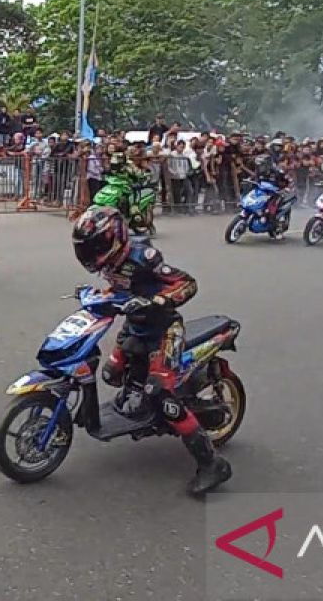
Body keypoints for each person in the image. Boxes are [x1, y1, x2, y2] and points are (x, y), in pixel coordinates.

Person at [71, 205, 231, 495]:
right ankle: (141, 404)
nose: (90, 255)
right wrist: (95, 296)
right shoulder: (110, 264)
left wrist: (158, 301)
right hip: (136, 326)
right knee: (111, 373)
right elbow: (121, 289)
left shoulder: (143, 257)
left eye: (95, 247)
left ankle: (211, 464)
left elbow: (187, 284)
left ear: (113, 239)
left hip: (164, 331)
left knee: (160, 395)